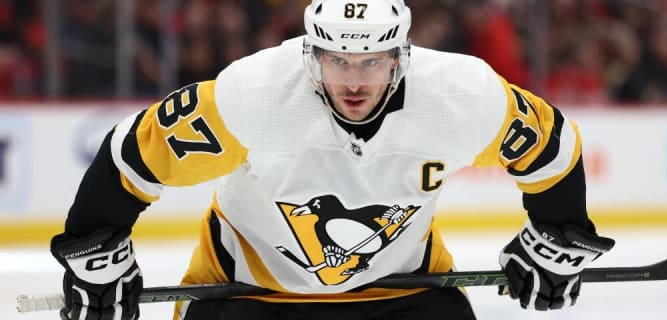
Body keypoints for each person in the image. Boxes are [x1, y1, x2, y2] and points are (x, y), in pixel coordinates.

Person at [49, 1, 615, 319]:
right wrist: (95, 248)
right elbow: (135, 152)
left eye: (372, 62)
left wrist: (557, 235)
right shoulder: (257, 94)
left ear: (402, 56)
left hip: (405, 291)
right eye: (337, 60)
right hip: (251, 298)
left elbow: (551, 145)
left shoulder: (460, 94)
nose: (353, 80)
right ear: (310, 52)